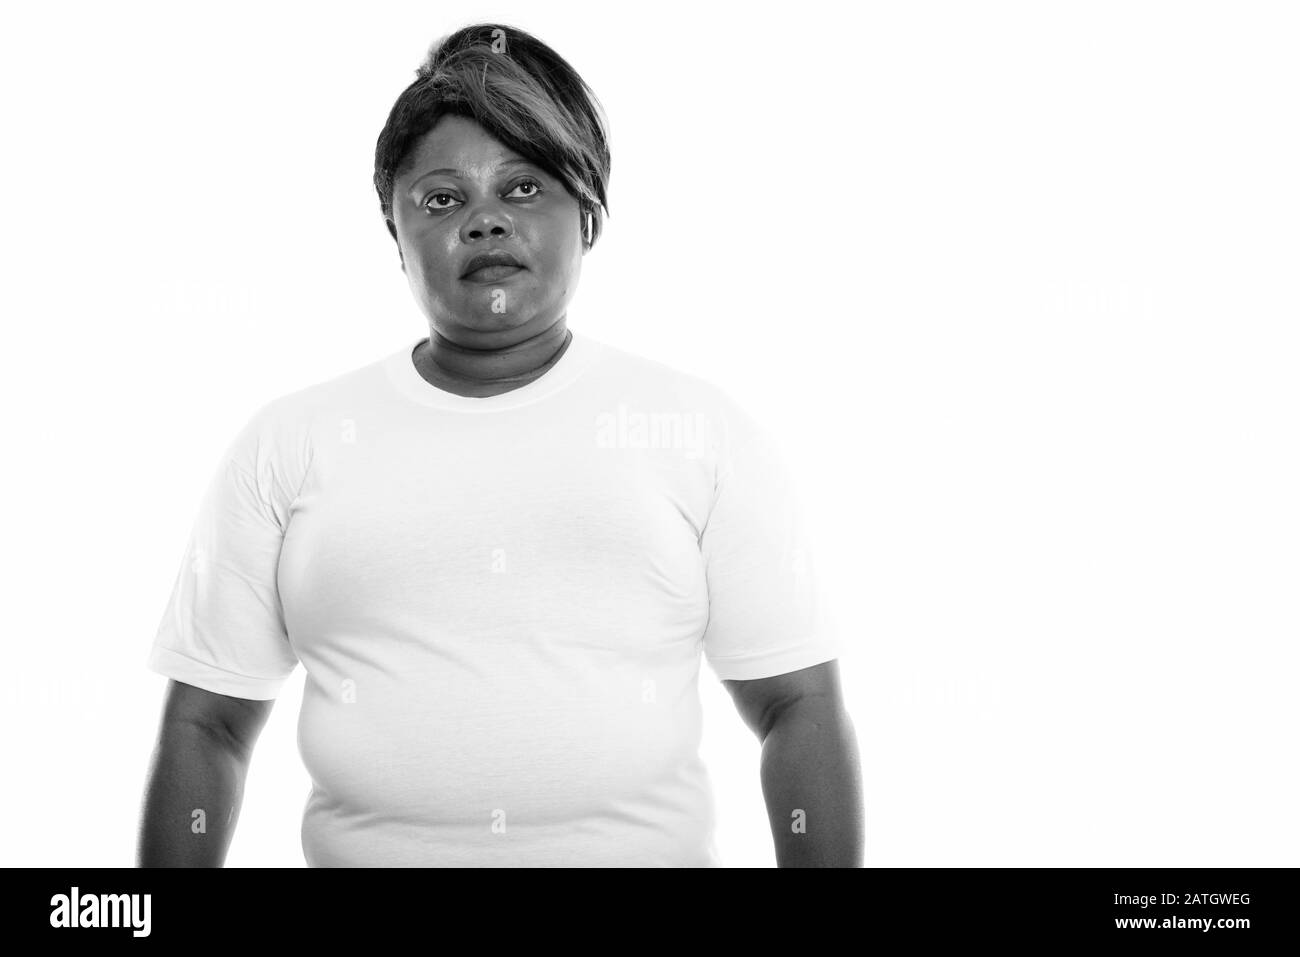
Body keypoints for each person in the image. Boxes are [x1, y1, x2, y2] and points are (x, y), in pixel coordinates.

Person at [136, 22, 863, 868]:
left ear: (586, 216)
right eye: (442, 199)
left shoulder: (697, 432)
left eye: (524, 189)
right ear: (393, 232)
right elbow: (208, 724)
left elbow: (798, 705)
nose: (485, 221)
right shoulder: (288, 443)